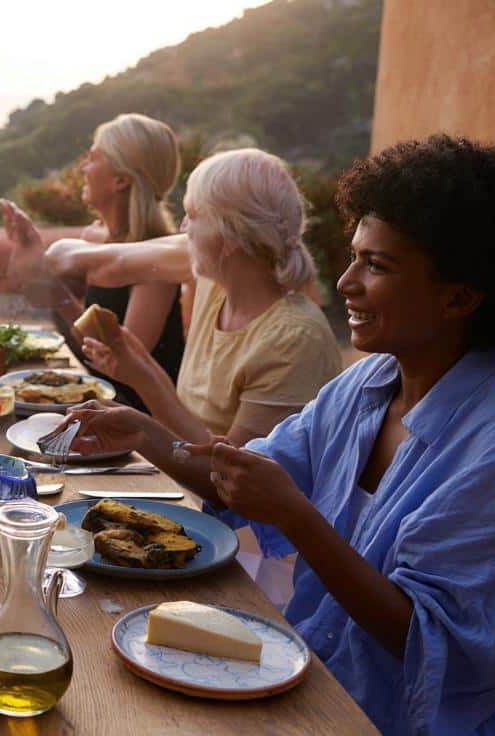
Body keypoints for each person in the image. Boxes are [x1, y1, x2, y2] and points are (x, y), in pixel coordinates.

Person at [63, 135, 495, 735]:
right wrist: (142, 433)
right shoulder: (365, 386)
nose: (345, 282)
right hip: (312, 680)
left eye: (377, 265)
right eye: (353, 256)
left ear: (460, 296)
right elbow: (240, 474)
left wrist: (296, 515)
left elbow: (428, 642)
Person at [82, 147, 341, 603]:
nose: (183, 229)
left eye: (191, 215)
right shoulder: (212, 289)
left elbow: (229, 486)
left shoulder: (293, 338)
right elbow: (194, 433)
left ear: (229, 235)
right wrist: (135, 368)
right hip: (187, 510)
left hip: (252, 563)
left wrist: (141, 405)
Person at [0, 113, 187, 410]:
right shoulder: (94, 238)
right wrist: (35, 272)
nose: (83, 167)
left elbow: (119, 367)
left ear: (121, 180)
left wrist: (53, 289)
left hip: (140, 420)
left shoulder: (156, 261)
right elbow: (77, 331)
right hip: (98, 399)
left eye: (93, 157)